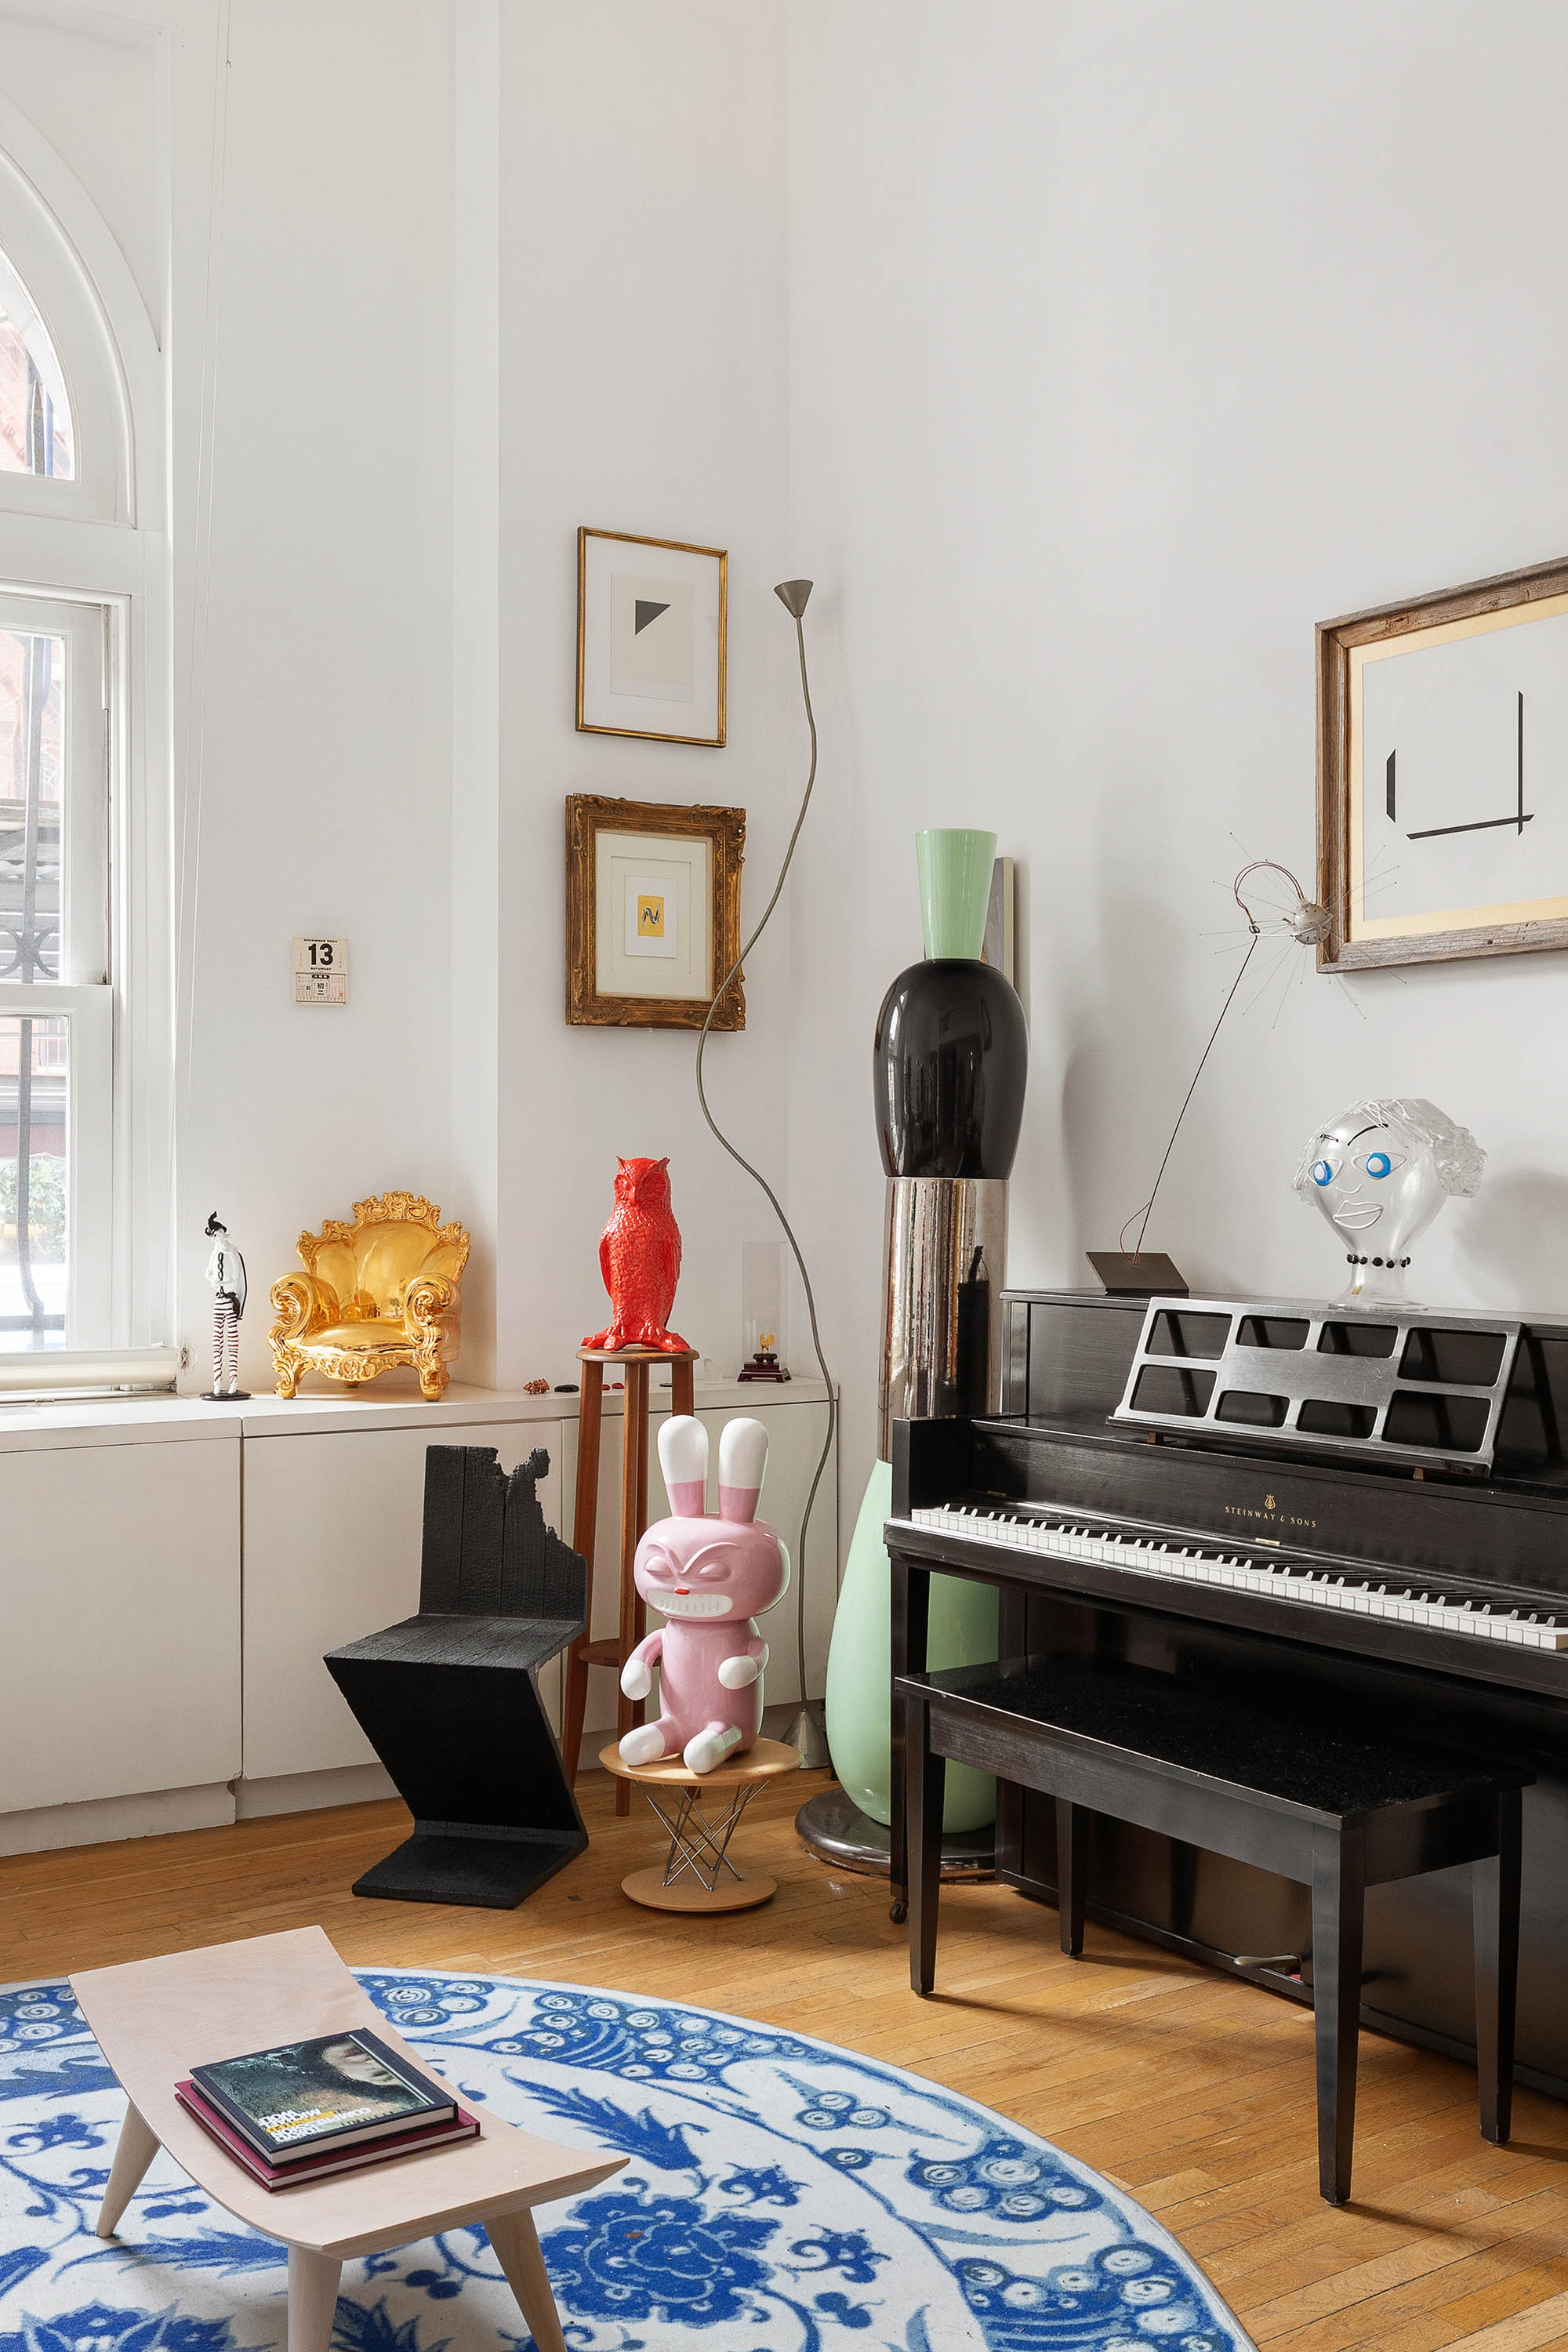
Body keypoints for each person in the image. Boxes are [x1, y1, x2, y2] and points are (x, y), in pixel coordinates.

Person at [203, 1210, 248, 1397]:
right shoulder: (215, 1254)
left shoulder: (233, 1253)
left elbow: (236, 1276)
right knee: (216, 1342)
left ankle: (233, 1382)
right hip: (218, 1301)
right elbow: (208, 1272)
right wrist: (213, 1280)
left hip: (229, 1301)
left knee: (232, 1342)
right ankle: (216, 1382)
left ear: (221, 1233)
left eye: (216, 1235)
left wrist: (223, 1282)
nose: (215, 1239)